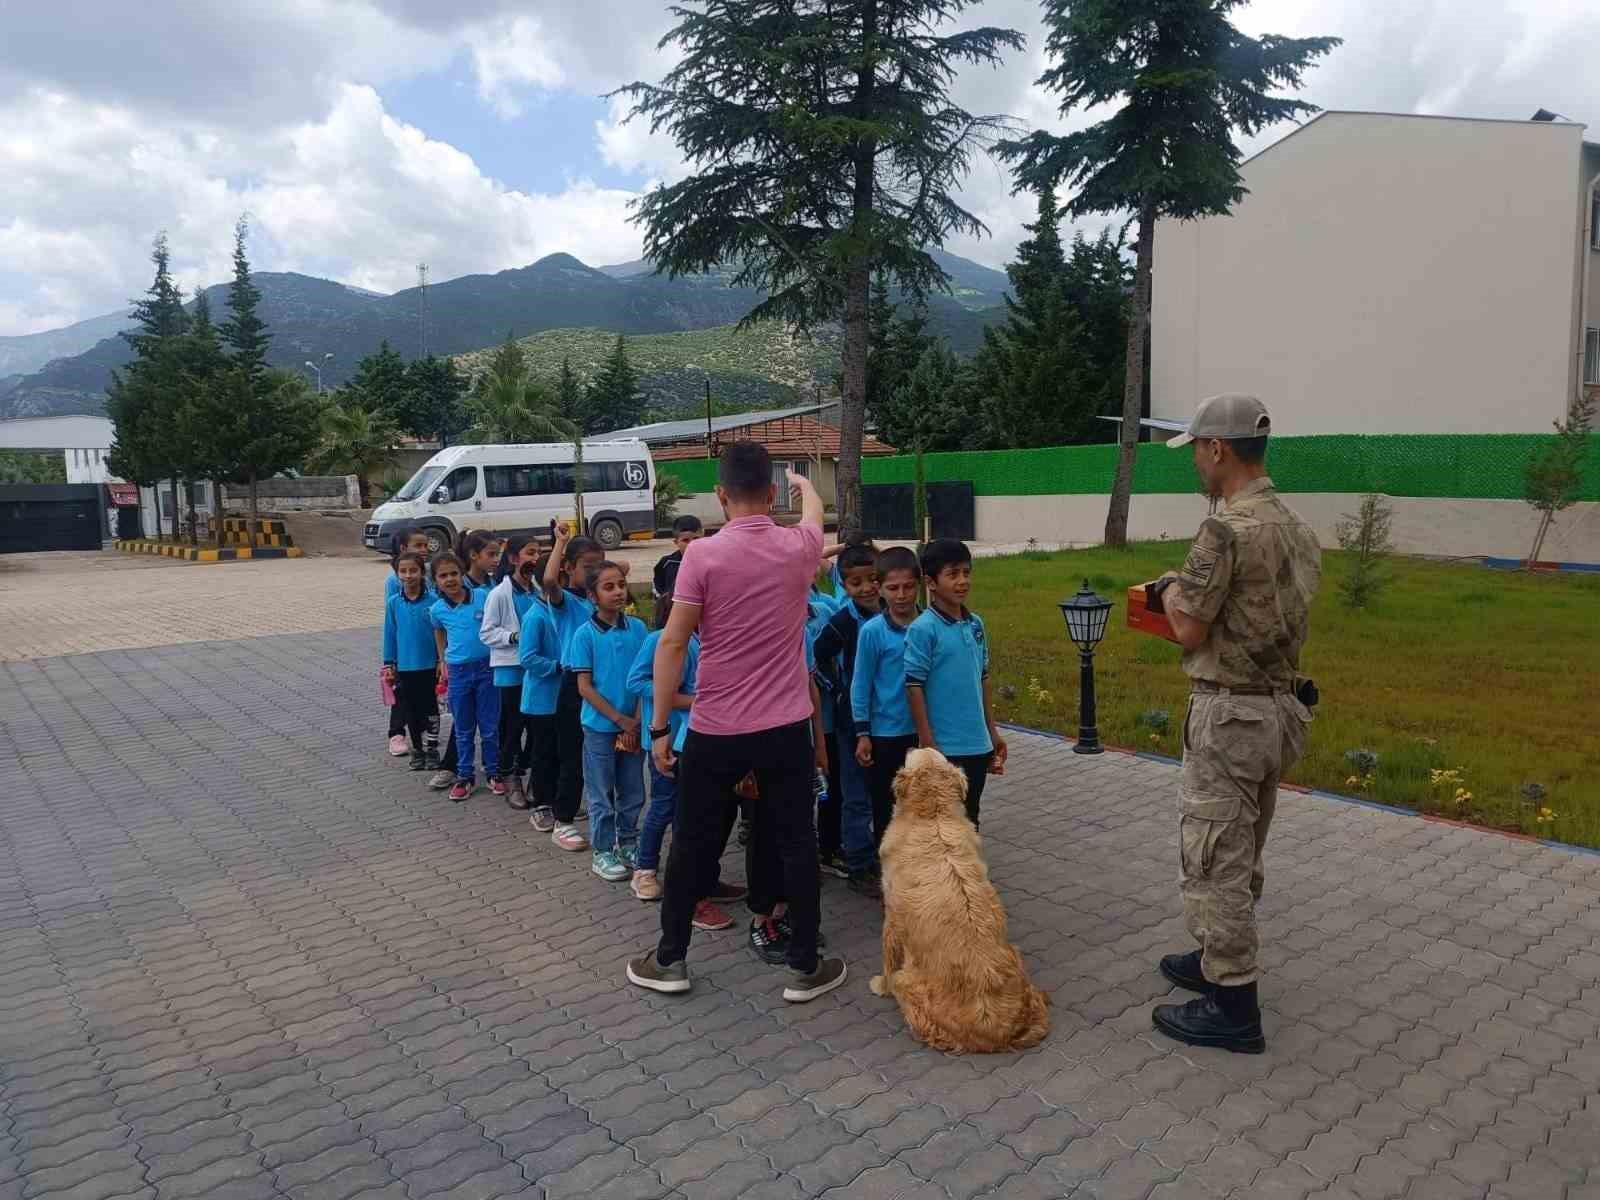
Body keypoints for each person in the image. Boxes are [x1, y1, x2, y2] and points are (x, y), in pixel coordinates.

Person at [626, 441, 846, 1004]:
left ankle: (670, 959)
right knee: (797, 842)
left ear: (721, 495)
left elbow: (673, 642)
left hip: (715, 727)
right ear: (771, 495)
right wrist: (808, 490)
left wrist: (656, 728)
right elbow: (817, 520)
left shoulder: (701, 556)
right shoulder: (800, 546)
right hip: (786, 727)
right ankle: (804, 966)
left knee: (694, 843)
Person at [1143, 394, 1320, 1055]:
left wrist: (1166, 594)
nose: (1194, 460)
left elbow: (1188, 627)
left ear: (1218, 449)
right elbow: (1269, 611)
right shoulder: (1295, 526)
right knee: (1242, 846)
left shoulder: (1223, 532)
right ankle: (1216, 954)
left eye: (1196, 448)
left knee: (1214, 855)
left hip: (1229, 711)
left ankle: (1234, 1007)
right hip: (1279, 709)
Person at [904, 539, 1007, 828]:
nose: (962, 581)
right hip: (944, 746)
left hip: (977, 744)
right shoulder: (923, 629)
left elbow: (983, 678)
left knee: (970, 816)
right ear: (931, 582)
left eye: (966, 572)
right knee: (942, 821)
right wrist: (927, 742)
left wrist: (993, 733)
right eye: (953, 574)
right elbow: (914, 686)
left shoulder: (976, 624)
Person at [539, 528, 628, 849]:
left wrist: (602, 572)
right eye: (587, 566)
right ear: (568, 568)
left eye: (599, 565)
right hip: (575, 686)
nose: (595, 571)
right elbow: (549, 582)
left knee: (611, 756)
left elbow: (624, 568)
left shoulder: (602, 596)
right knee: (574, 755)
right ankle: (562, 819)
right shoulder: (568, 602)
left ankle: (610, 817)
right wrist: (561, 543)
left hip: (606, 685)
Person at [567, 561, 648, 882]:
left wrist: (637, 720)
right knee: (602, 791)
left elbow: (646, 677)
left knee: (633, 789)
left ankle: (628, 843)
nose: (617, 592)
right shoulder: (584, 635)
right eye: (608, 587)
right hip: (600, 727)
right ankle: (603, 851)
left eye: (621, 585)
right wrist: (619, 719)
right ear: (592, 595)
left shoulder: (639, 629)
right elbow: (584, 686)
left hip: (634, 724)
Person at [812, 543, 883, 896]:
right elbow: (817, 658)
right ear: (844, 585)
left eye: (873, 579)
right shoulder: (841, 623)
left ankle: (884, 853)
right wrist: (838, 687)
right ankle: (858, 863)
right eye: (856, 583)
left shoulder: (899, 612)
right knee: (855, 795)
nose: (868, 588)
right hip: (851, 723)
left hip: (891, 719)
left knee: (884, 792)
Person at [852, 546, 921, 857]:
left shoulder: (929, 626)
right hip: (885, 735)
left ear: (920, 585)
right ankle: (891, 877)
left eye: (908, 587)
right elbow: (861, 683)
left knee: (922, 806)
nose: (902, 595)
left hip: (925, 732)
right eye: (893, 588)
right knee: (886, 810)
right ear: (879, 588)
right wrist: (862, 732)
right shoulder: (872, 632)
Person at [517, 555, 586, 850]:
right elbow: (527, 657)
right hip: (543, 699)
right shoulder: (536, 616)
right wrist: (559, 667)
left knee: (565, 752)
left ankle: (561, 801)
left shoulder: (572, 609)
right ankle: (541, 804)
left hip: (568, 696)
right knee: (544, 754)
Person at [429, 551, 500, 802]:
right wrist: (442, 661)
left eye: (454, 574)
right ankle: (465, 775)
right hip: (458, 672)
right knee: (463, 727)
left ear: (462, 574)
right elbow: (439, 634)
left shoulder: (482, 596)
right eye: (443, 576)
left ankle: (493, 772)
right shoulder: (437, 609)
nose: (449, 579)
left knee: (490, 725)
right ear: (435, 580)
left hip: (486, 668)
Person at [481, 535, 541, 808]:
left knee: (536, 725)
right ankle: (510, 778)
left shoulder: (536, 591)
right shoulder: (499, 594)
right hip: (510, 670)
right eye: (530, 553)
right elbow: (487, 633)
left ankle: (529, 775)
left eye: (538, 553)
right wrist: (514, 637)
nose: (535, 559)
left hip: (535, 669)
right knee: (513, 727)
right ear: (514, 558)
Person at [381, 550, 440, 772]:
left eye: (413, 570)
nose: (408, 575)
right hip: (405, 667)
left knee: (431, 709)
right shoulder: (394, 603)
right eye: (403, 571)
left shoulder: (434, 601)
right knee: (411, 711)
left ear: (422, 572)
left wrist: (441, 661)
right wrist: (389, 663)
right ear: (396, 574)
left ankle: (432, 749)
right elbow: (390, 633)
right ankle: (418, 750)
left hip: (430, 666)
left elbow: (441, 633)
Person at [653, 515, 703, 599]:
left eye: (696, 538)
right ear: (676, 542)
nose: (691, 544)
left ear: (703, 536)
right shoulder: (666, 563)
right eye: (685, 540)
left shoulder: (712, 561)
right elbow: (659, 592)